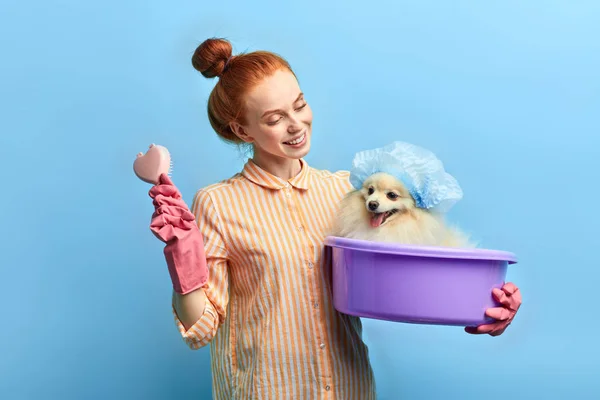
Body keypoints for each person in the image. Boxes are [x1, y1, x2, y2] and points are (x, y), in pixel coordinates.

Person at [148, 37, 523, 400]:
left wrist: (483, 303)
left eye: (300, 105)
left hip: (349, 389)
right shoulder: (218, 203)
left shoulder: (349, 193)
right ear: (242, 130)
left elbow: (414, 269)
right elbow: (201, 329)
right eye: (276, 118)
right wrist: (183, 256)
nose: (296, 125)